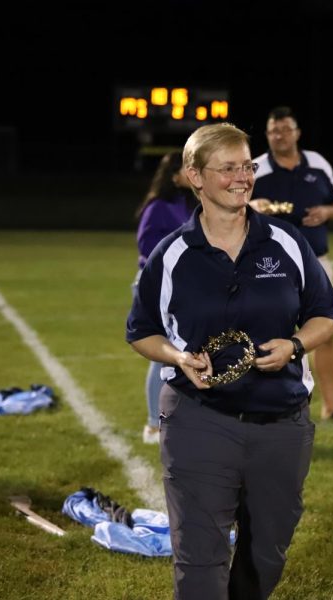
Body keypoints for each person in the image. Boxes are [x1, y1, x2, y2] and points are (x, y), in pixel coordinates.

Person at [126, 123, 333, 600]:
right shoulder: (172, 254)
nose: (242, 177)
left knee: (266, 554)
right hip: (199, 422)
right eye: (228, 168)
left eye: (247, 166)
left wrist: (295, 346)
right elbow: (141, 331)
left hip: (281, 423)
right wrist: (179, 356)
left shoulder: (285, 243)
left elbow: (326, 316)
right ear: (195, 176)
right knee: (200, 562)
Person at [250, 106, 333, 422]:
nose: (279, 135)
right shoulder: (256, 167)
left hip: (317, 262)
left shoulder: (318, 163)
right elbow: (232, 203)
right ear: (267, 135)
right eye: (273, 130)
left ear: (297, 132)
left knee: (324, 332)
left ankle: (330, 405)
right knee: (268, 333)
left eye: (285, 129)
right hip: (268, 264)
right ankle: (271, 404)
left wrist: (327, 212)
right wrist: (254, 205)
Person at [134, 152, 197, 444]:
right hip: (156, 287)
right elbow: (146, 246)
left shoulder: (186, 204)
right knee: (161, 356)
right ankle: (152, 425)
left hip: (182, 289)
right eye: (187, 168)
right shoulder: (158, 206)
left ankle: (174, 419)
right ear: (174, 175)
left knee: (179, 354)